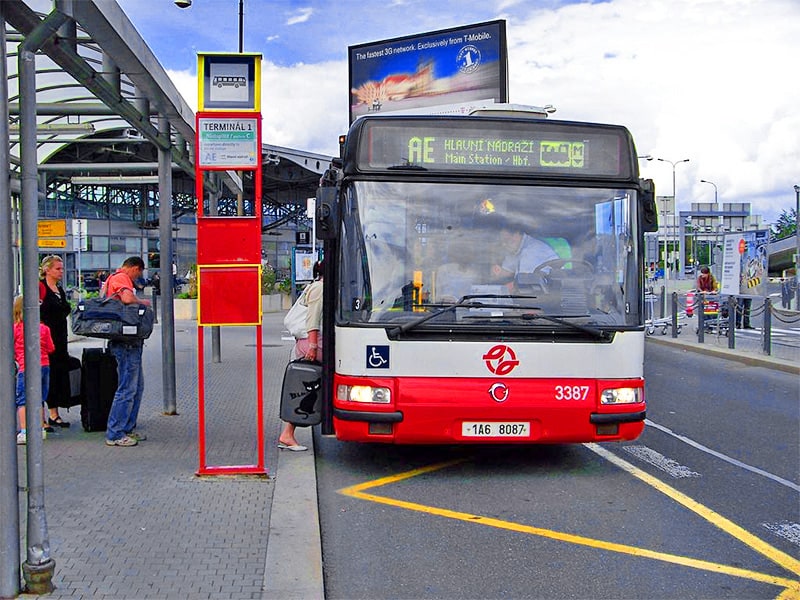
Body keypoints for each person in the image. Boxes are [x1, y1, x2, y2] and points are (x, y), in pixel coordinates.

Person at [102, 256, 151, 447]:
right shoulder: (122, 278)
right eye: (139, 273)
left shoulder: (112, 277)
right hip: (126, 342)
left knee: (136, 387)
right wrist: (143, 303)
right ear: (135, 269)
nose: (138, 277)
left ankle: (127, 428)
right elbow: (127, 298)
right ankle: (115, 433)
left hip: (126, 341)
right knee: (127, 389)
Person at [278, 260, 323, 452]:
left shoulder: (314, 286)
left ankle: (288, 433)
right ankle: (288, 433)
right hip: (313, 341)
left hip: (309, 342)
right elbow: (312, 320)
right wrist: (313, 346)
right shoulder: (320, 288)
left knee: (313, 387)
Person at [14, 295, 55, 445]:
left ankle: (25, 431)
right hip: (44, 366)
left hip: (25, 368)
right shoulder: (44, 328)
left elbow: (10, 348)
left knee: (23, 401)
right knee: (39, 399)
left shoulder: (16, 329)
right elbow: (51, 348)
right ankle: (40, 429)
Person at [38, 255, 73, 428]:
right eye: (57, 269)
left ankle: (54, 413)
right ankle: (41, 417)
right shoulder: (40, 288)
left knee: (57, 375)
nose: (61, 272)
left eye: (61, 268)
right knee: (44, 376)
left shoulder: (59, 289)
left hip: (59, 338)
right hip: (45, 339)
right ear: (47, 270)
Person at [489, 224, 559, 289]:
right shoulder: (516, 249)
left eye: (506, 240)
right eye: (502, 241)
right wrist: (496, 271)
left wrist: (498, 291)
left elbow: (524, 283)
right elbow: (505, 273)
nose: (503, 245)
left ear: (516, 235)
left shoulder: (531, 251)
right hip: (533, 292)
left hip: (548, 294)